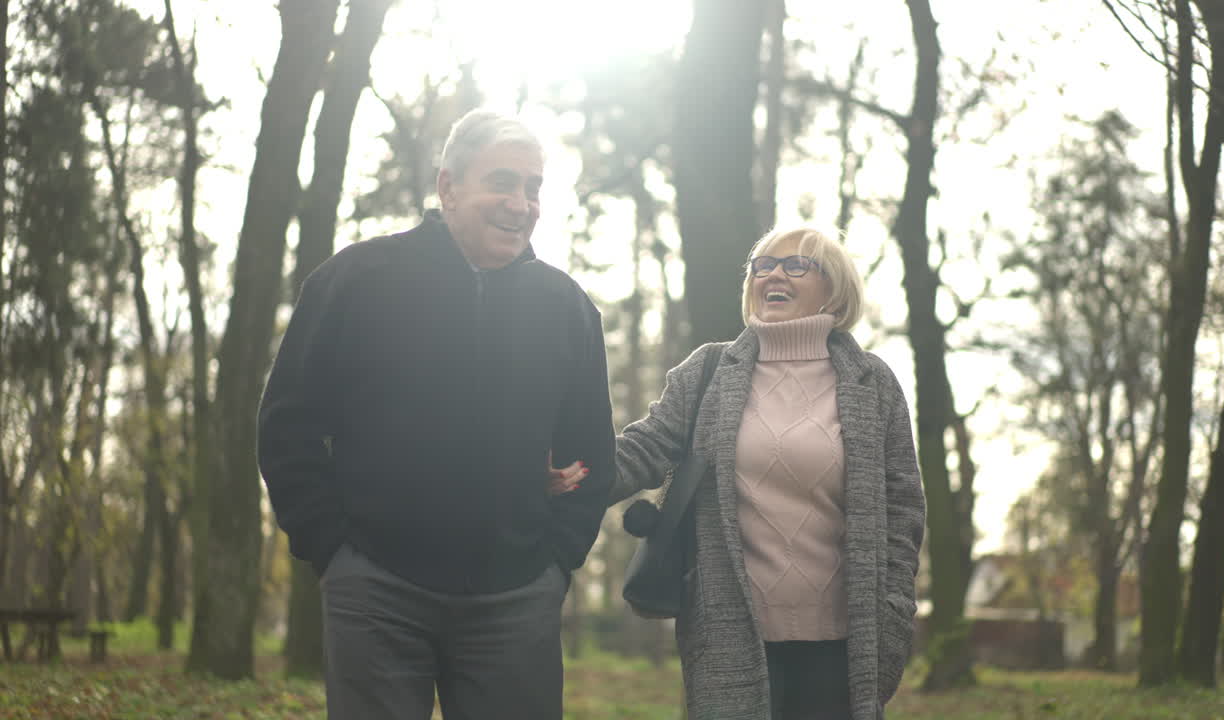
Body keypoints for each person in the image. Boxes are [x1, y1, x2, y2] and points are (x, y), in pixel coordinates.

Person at [259, 108, 616, 720]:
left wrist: (555, 562)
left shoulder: (567, 309)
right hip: (376, 589)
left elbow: (591, 454)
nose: (520, 203)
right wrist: (332, 549)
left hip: (517, 598)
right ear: (448, 186)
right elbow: (288, 425)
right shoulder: (355, 281)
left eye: (533, 189)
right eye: (502, 182)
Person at [553, 225, 925, 720]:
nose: (774, 274)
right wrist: (572, 470)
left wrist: (895, 608)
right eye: (763, 265)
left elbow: (903, 505)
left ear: (833, 289)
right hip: (730, 629)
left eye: (796, 265)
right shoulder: (708, 372)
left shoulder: (871, 382)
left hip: (847, 639)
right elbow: (645, 447)